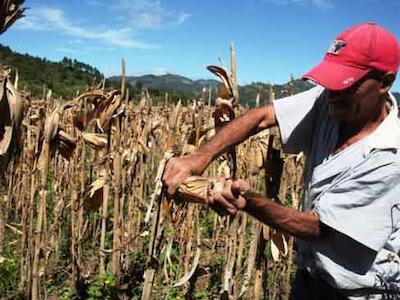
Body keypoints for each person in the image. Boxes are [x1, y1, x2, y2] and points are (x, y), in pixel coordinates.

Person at [163, 22, 400, 299]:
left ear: (384, 82)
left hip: (361, 292)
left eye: (347, 84)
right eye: (331, 83)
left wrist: (249, 201)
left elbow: (318, 228)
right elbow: (261, 117)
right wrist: (198, 158)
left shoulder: (389, 156)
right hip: (311, 277)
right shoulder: (332, 100)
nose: (334, 93)